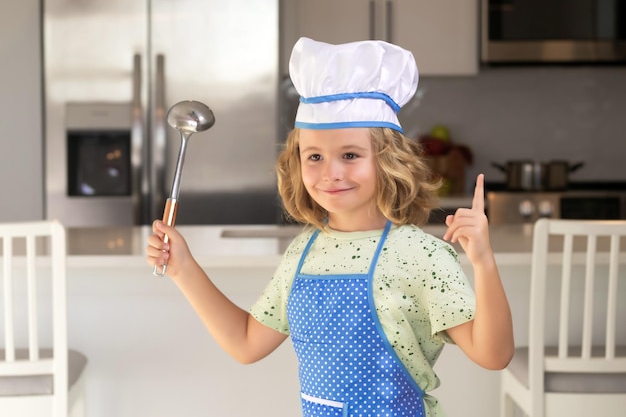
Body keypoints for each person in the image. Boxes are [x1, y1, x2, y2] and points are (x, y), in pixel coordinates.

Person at [146, 37, 514, 417]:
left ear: (387, 160)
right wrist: (183, 268)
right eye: (315, 156)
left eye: (350, 155)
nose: (330, 173)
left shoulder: (421, 255)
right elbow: (245, 343)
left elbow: (494, 356)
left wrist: (484, 262)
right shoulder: (304, 252)